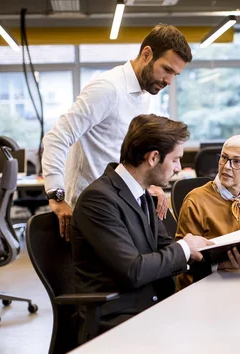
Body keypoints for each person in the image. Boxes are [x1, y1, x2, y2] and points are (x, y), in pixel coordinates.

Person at [42, 24, 192, 241]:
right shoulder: (107, 89)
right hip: (90, 205)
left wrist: (147, 185)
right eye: (167, 69)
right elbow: (57, 137)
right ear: (147, 54)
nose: (169, 81)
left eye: (175, 74)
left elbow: (126, 152)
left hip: (119, 199)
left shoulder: (145, 93)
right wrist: (56, 196)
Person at [71, 114, 211, 338]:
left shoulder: (141, 193)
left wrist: (219, 256)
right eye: (175, 160)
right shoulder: (98, 199)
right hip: (117, 317)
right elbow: (133, 270)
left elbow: (166, 247)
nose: (178, 168)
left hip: (151, 306)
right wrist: (185, 247)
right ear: (154, 157)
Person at [175, 135, 240, 285]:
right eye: (224, 158)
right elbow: (183, 260)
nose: (227, 166)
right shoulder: (195, 200)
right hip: (201, 284)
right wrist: (220, 265)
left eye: (237, 161)